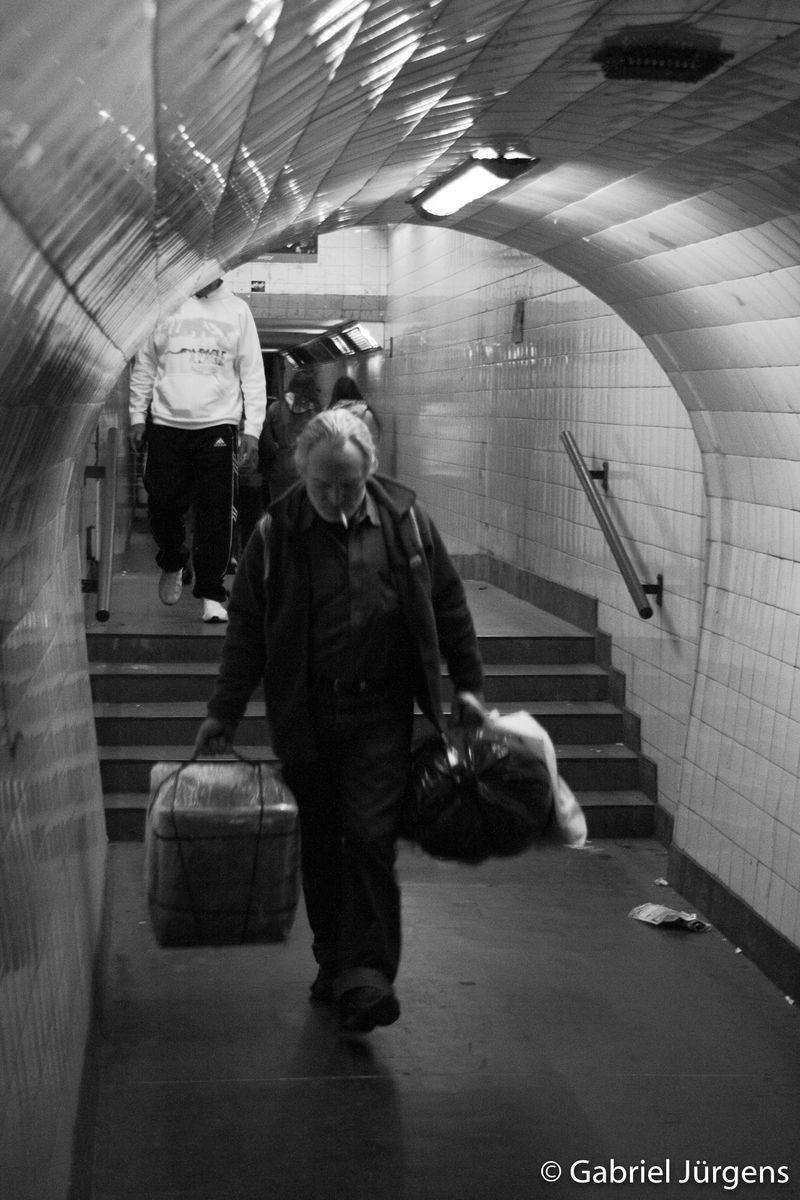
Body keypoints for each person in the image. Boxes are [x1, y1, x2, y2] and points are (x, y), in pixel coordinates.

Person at [194, 409, 484, 1033]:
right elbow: (246, 629)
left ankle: (369, 975)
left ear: (369, 472)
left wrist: (469, 687)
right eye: (322, 484)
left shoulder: (405, 522)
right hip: (307, 712)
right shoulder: (275, 532)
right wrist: (224, 711)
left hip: (381, 710)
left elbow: (448, 604)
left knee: (371, 837)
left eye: (347, 485)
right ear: (302, 473)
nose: (334, 498)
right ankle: (334, 960)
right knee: (321, 843)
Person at [128, 277, 267, 623]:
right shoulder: (164, 306)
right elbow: (145, 363)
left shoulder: (237, 310)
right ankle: (173, 560)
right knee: (162, 503)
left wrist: (253, 429)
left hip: (217, 426)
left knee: (217, 514)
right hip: (166, 424)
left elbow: (252, 372)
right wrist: (136, 415)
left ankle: (211, 592)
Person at [260, 369, 321, 502]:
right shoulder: (315, 412)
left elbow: (267, 444)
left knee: (279, 510)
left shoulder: (275, 408)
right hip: (306, 470)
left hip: (279, 470)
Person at [328, 375, 381, 443]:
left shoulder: (329, 415)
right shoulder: (366, 413)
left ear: (335, 394)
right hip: (363, 451)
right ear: (355, 391)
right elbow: (372, 441)